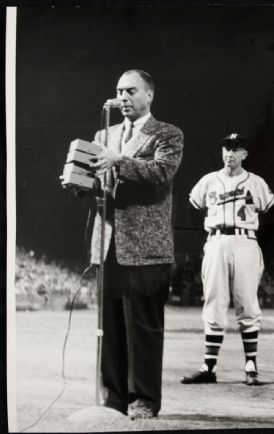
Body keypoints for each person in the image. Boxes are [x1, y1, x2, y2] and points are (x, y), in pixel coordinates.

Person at [62, 70, 184, 419]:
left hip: (146, 249)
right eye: (119, 91)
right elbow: (100, 184)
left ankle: (144, 399)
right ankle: (112, 397)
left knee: (143, 328)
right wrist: (80, 185)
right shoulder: (105, 134)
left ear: (149, 95)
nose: (123, 97)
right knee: (110, 326)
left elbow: (161, 173)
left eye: (131, 90)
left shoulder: (167, 133)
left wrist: (119, 161)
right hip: (107, 244)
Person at [181, 133, 274, 386]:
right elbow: (191, 209)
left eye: (235, 149)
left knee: (247, 302)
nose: (229, 153)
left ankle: (251, 366)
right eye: (226, 148)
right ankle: (208, 368)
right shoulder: (209, 181)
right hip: (216, 241)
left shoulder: (255, 182)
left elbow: (271, 213)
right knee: (214, 302)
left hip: (245, 241)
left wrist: (256, 239)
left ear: (245, 154)